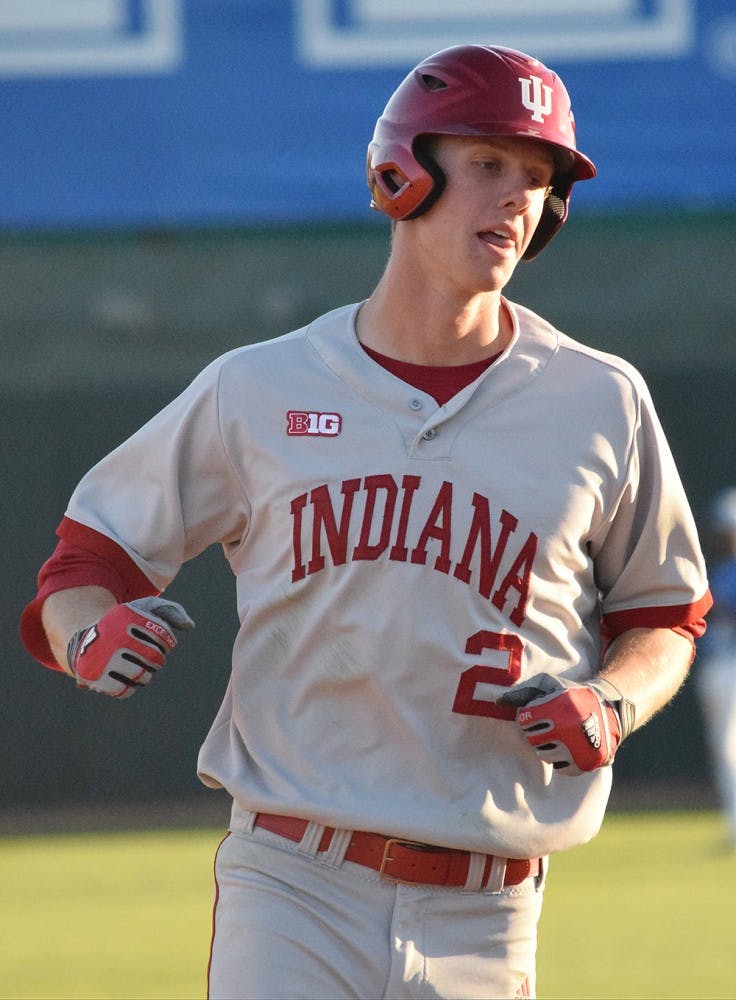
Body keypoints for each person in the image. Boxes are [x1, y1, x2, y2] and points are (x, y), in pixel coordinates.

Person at [20, 44, 712, 999]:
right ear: (403, 172)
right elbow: (87, 559)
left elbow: (663, 616)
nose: (518, 198)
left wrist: (615, 702)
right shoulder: (260, 389)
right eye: (488, 164)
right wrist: (87, 634)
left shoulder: (599, 400)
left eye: (538, 178)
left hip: (491, 903)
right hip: (294, 881)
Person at [695, 488, 736, 849]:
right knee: (725, 750)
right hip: (720, 666)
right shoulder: (721, 571)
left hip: (729, 668)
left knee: (728, 749)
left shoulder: (726, 575)